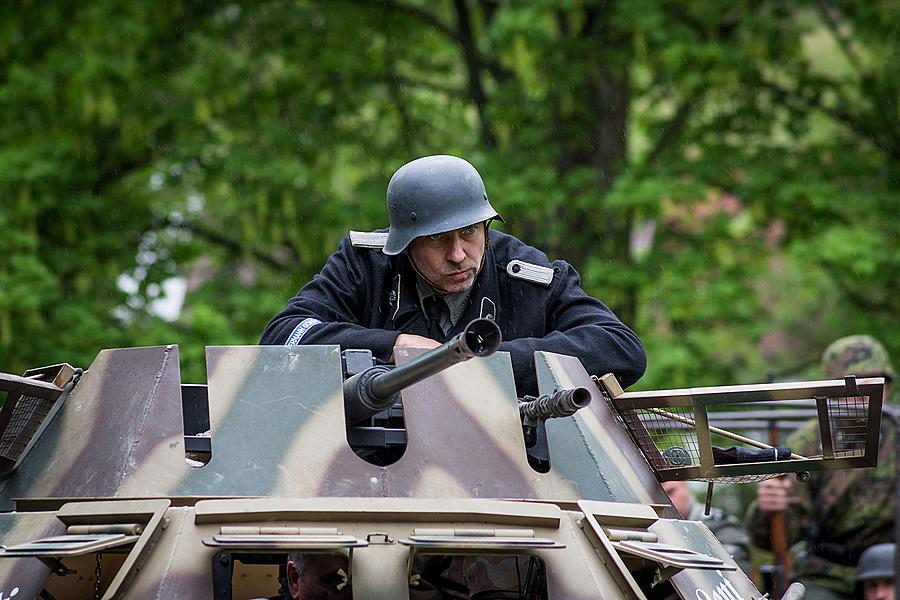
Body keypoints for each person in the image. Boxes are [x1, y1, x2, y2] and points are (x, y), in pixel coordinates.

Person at [261, 155, 646, 397]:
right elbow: (285, 335)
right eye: (436, 239)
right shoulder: (367, 265)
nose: (458, 254)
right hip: (375, 464)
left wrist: (482, 364)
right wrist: (397, 346)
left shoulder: (525, 276)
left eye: (469, 233)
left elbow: (620, 347)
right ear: (405, 244)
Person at [747, 335, 898, 599]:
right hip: (827, 573)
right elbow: (775, 538)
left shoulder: (897, 434)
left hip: (891, 568)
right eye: (857, 385)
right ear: (832, 390)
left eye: (878, 384)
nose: (868, 395)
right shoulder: (807, 444)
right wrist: (769, 508)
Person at [662, 479, 752, 574]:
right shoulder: (655, 529)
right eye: (660, 495)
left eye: (671, 492)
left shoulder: (718, 522)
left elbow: (737, 564)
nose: (667, 500)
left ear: (686, 487)